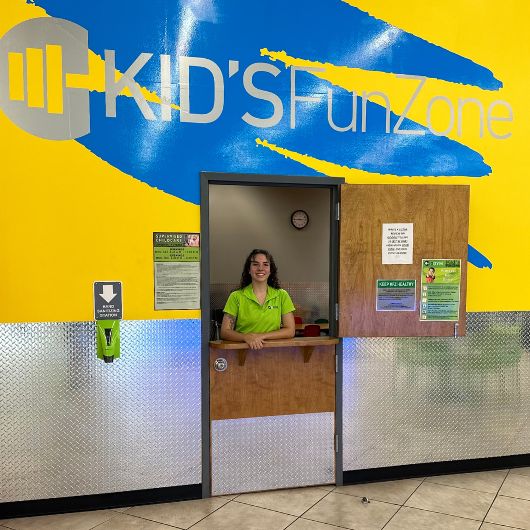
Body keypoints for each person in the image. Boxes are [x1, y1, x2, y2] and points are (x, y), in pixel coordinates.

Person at [220, 249, 296, 349]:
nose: (260, 268)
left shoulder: (282, 295)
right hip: (241, 355)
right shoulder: (236, 296)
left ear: (270, 270)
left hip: (275, 353)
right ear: (249, 269)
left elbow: (290, 330)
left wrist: (260, 337)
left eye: (265, 264)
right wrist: (245, 337)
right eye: (255, 264)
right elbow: (225, 332)